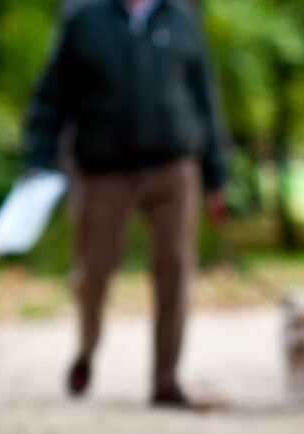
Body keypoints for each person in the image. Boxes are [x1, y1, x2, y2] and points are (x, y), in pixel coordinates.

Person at [24, 0, 229, 408]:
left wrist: (217, 176)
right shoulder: (84, 19)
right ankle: (86, 349)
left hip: (174, 166)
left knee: (175, 269)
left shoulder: (181, 17)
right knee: (93, 271)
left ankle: (166, 380)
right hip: (103, 170)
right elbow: (52, 95)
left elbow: (204, 96)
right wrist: (39, 159)